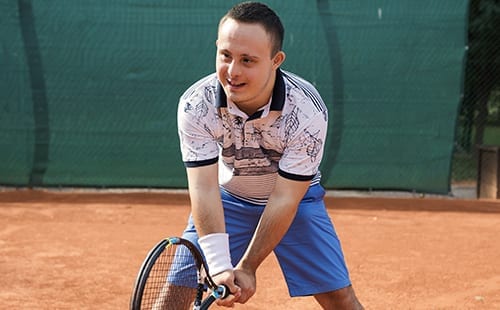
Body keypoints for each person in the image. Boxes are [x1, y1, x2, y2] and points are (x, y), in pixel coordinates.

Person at [176, 1, 364, 309]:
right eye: (226, 55)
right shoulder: (196, 105)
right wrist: (220, 265)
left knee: (340, 299)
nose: (232, 72)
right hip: (228, 201)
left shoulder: (306, 111)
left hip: (295, 203)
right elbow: (203, 188)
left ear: (276, 60)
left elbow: (284, 199)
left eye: (248, 60)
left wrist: (247, 266)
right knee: (174, 295)